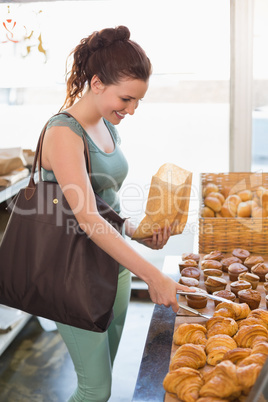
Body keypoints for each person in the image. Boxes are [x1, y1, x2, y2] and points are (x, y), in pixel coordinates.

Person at [41, 25, 192, 402]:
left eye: (138, 101)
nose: (132, 109)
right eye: (126, 99)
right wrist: (153, 275)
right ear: (96, 83)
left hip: (114, 267)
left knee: (103, 372)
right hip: (72, 275)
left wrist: (134, 229)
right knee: (95, 391)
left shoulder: (107, 125)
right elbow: (87, 218)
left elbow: (103, 200)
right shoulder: (63, 132)